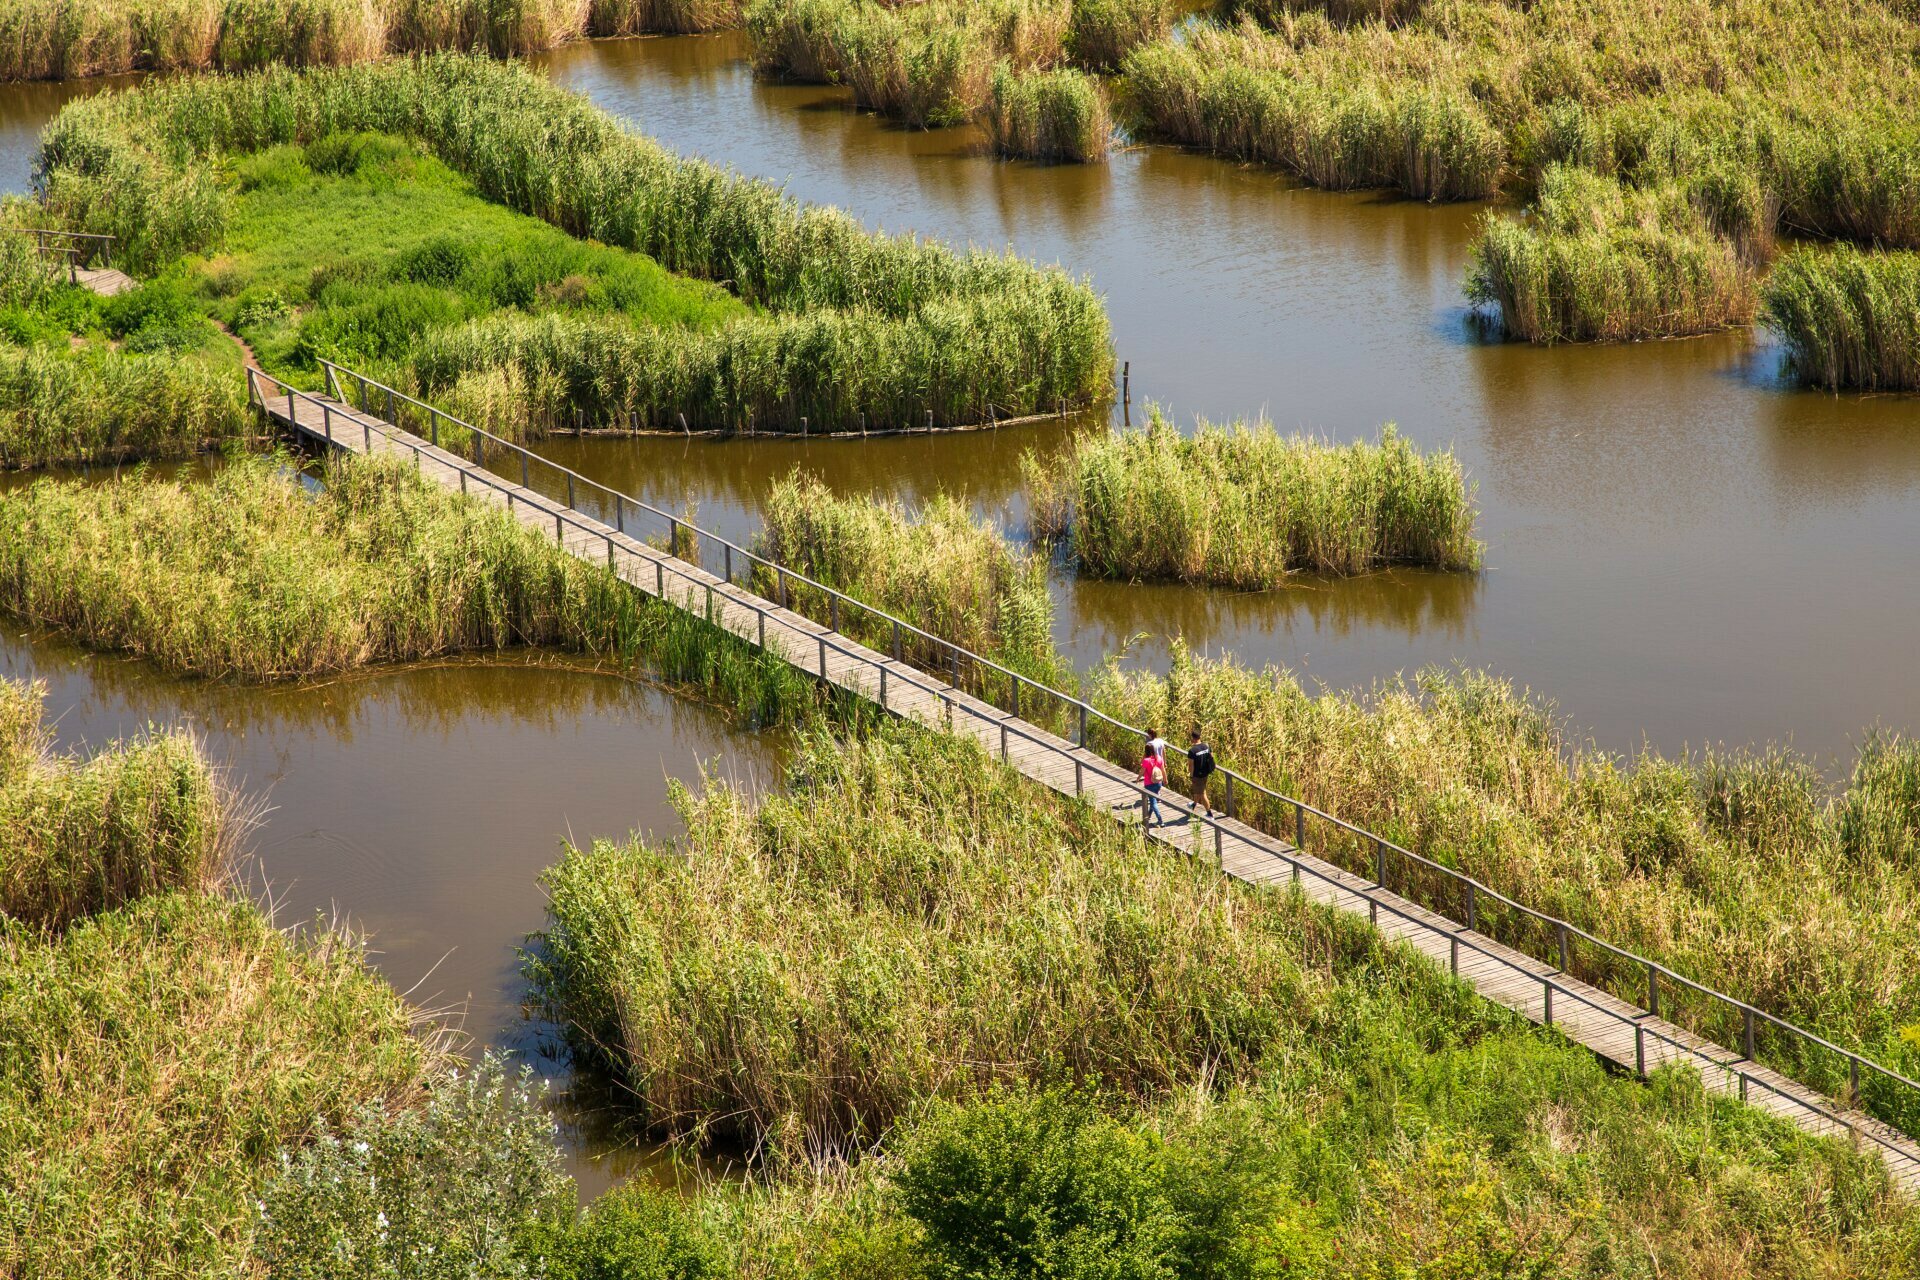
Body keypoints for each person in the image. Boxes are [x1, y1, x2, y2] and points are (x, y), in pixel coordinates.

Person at [1187, 729, 1216, 817]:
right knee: (1199, 791)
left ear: (1193, 738)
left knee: (1202, 794)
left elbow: (1191, 765)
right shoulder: (1207, 746)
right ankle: (1193, 805)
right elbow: (1211, 757)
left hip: (1197, 775)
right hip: (1205, 773)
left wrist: (1191, 775)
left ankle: (1209, 814)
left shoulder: (1192, 751)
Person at [1141, 746, 1167, 826]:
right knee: (1153, 800)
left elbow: (1142, 771)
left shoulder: (1146, 760)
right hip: (1158, 783)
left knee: (1153, 802)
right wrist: (1165, 779)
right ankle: (1148, 815)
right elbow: (1163, 770)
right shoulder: (1159, 758)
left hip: (1149, 784)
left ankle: (1160, 821)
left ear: (1146, 752)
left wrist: (1138, 778)